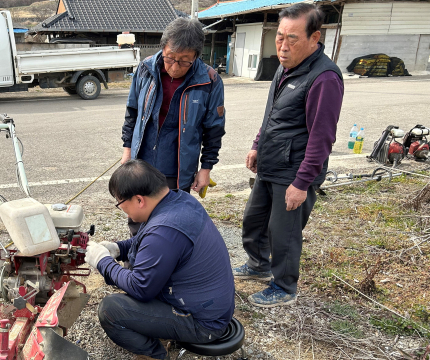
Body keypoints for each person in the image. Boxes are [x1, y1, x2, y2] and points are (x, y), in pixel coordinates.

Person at [233, 3, 345, 307]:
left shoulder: (323, 78)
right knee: (253, 222)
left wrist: (302, 182)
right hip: (272, 162)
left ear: (314, 37)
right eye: (279, 37)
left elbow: (322, 138)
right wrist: (257, 144)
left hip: (295, 171)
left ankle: (284, 287)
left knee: (284, 234)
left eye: (291, 38)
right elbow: (273, 115)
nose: (282, 46)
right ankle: (258, 265)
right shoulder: (285, 68)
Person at [84, 160, 235, 360]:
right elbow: (146, 241)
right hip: (208, 306)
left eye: (120, 203)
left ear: (139, 200)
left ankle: (154, 354)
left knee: (111, 310)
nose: (121, 209)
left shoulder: (164, 232)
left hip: (203, 323)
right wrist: (118, 248)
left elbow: (141, 288)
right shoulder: (179, 201)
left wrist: (103, 262)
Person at [120, 17, 226, 235]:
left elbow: (214, 129)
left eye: (185, 60)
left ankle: (168, 266)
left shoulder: (209, 80)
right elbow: (132, 112)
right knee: (137, 219)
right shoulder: (145, 70)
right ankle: (135, 266)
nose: (175, 67)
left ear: (197, 55)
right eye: (170, 58)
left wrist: (206, 168)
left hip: (178, 166)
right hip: (143, 160)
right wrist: (127, 151)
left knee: (173, 223)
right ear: (163, 48)